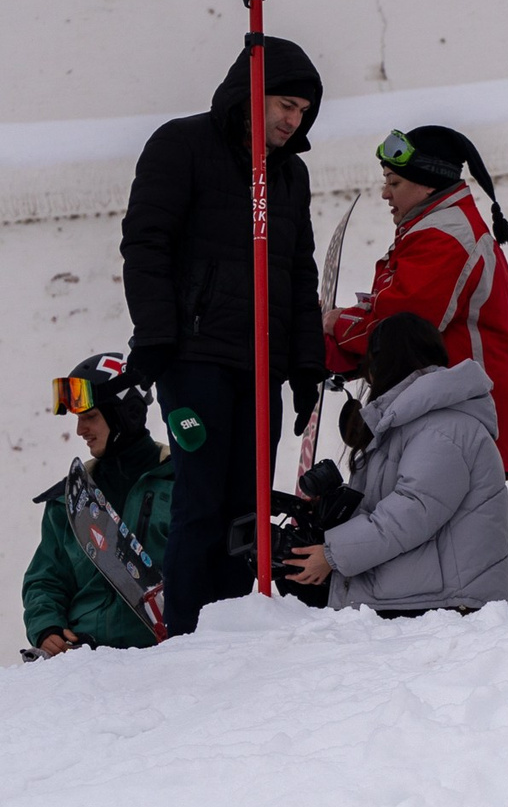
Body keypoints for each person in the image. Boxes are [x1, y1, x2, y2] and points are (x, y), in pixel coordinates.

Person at [117, 38, 326, 635]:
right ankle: (186, 635)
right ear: (251, 94)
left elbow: (299, 273)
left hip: (262, 366)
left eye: (303, 112)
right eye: (285, 105)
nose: (294, 121)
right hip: (195, 359)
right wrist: (156, 338)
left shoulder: (291, 175)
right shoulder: (180, 145)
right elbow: (146, 244)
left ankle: (234, 634)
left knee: (249, 510)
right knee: (202, 500)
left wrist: (306, 366)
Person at [325, 126, 508, 478]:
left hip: (465, 424)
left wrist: (335, 324)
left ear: (428, 184)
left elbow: (400, 330)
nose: (385, 193)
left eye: (394, 182)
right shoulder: (431, 229)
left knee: (410, 512)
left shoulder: (445, 238)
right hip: (447, 419)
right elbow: (390, 311)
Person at [285, 313, 508, 616]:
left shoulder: (442, 427)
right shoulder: (412, 421)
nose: (368, 378)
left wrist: (332, 555)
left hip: (443, 607)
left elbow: (412, 511)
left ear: (385, 363)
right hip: (421, 597)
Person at [23, 354, 173, 656]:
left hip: (167, 656)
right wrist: (47, 627)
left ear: (128, 414)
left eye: (90, 416)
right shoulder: (68, 500)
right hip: (85, 659)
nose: (80, 430)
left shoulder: (182, 486)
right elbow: (46, 580)